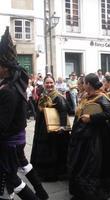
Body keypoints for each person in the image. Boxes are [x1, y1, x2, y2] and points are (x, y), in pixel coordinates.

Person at [68, 73, 110, 200]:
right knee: (81, 162)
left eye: (84, 83)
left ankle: (90, 191)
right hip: (83, 136)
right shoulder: (86, 96)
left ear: (88, 84)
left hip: (96, 138)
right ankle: (80, 190)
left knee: (92, 164)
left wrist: (92, 118)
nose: (81, 85)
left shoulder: (101, 97)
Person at [0, 27, 39, 199]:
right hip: (13, 139)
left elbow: (3, 124)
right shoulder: (12, 85)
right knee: (11, 178)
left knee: (13, 180)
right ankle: (43, 195)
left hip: (9, 142)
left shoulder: (9, 90)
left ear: (5, 68)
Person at [30, 76, 70, 182]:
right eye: (47, 83)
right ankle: (42, 172)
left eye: (51, 83)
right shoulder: (43, 95)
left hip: (54, 129)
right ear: (43, 84)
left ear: (54, 83)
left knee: (52, 150)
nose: (49, 85)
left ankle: (53, 173)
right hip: (43, 127)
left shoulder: (58, 97)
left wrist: (62, 127)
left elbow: (63, 112)